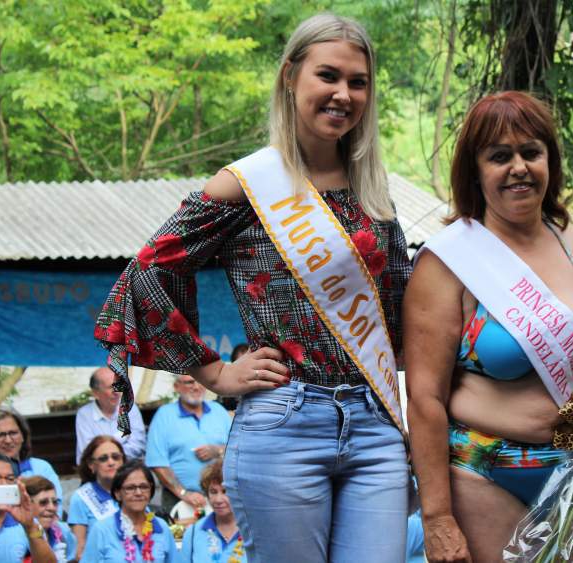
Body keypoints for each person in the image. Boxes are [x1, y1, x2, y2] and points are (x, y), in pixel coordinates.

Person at [94, 13, 412, 563]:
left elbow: (402, 300)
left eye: (357, 82)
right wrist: (213, 371)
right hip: (284, 421)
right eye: (328, 76)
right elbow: (146, 271)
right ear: (291, 76)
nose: (343, 94)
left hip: (375, 425)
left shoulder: (372, 188)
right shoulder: (248, 184)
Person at [403, 91, 573, 563]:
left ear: (550, 161)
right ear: (475, 171)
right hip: (483, 473)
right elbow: (424, 399)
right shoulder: (448, 261)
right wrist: (438, 518)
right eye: (499, 156)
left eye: (531, 152)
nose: (518, 166)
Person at [145, 375, 232, 515]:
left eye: (200, 381)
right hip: (179, 500)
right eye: (190, 382)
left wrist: (218, 450)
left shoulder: (219, 411)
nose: (196, 387)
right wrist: (183, 493)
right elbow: (157, 462)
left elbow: (240, 450)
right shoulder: (164, 415)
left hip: (222, 498)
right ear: (176, 387)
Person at [81, 460, 178, 563]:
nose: (138, 493)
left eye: (144, 487)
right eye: (130, 488)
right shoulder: (102, 530)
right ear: (118, 493)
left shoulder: (161, 527)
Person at [75, 367, 146, 463]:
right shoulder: (84, 414)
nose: (116, 392)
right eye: (111, 387)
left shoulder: (130, 408)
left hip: (128, 470)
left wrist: (107, 455)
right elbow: (87, 452)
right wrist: (117, 453)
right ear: (95, 393)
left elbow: (138, 447)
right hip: (98, 473)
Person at [68, 435, 125, 556]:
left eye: (116, 457)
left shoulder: (134, 491)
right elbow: (79, 551)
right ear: (91, 465)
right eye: (103, 459)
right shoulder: (81, 498)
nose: (111, 462)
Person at [179, 460, 245, 562]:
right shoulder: (193, 532)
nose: (218, 499)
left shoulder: (255, 532)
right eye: (213, 492)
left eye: (225, 491)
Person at [22, 476, 77, 563]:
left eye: (55, 502)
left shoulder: (63, 530)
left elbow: (73, 559)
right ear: (27, 505)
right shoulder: (16, 534)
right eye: (43, 502)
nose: (52, 508)